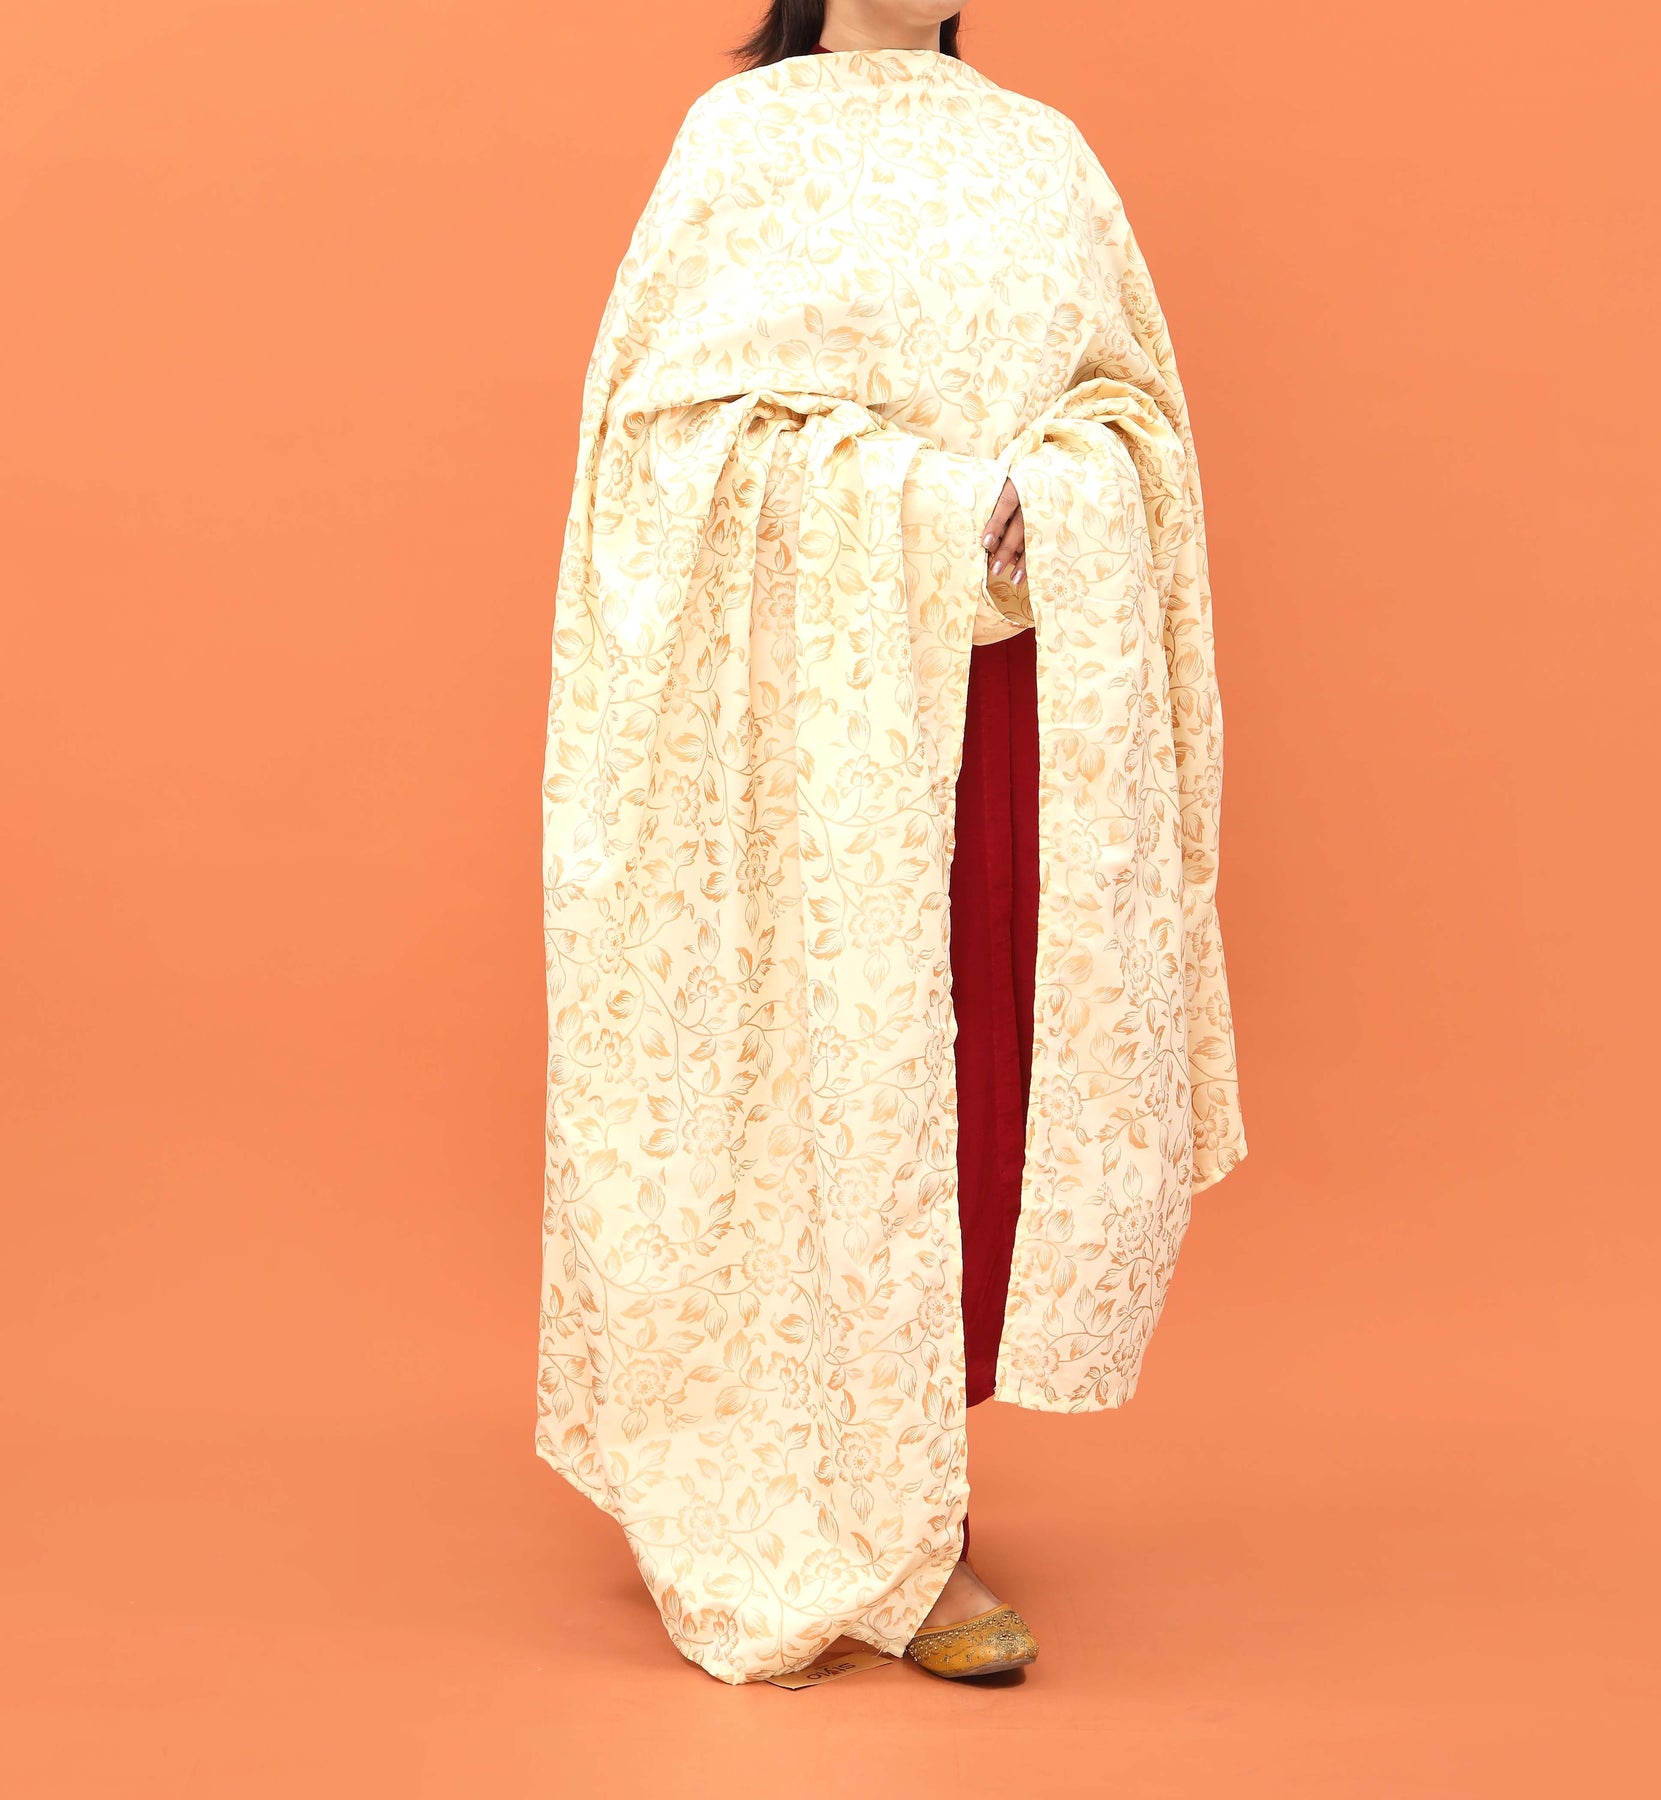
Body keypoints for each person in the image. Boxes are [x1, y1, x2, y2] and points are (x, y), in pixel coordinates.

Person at [538, 0, 1247, 1686]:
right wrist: (916, 503)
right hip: (809, 734)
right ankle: (826, 1503)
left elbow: (1136, 408)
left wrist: (1058, 491)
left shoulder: (1040, 152)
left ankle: (910, 1494)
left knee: (970, 1095)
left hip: (1005, 699)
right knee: (816, 1080)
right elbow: (664, 447)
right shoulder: (747, 144)